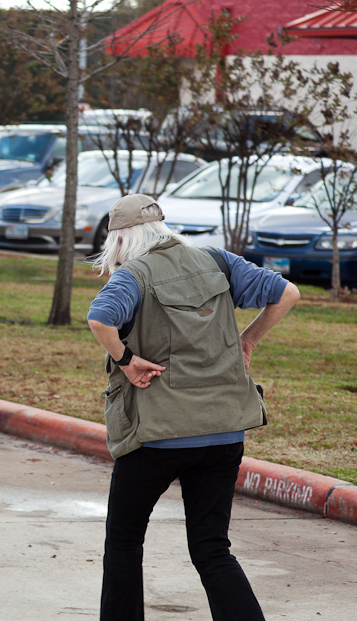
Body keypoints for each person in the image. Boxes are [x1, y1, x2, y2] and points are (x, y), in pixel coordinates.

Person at [86, 193, 300, 620]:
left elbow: (100, 319)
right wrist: (248, 340)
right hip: (224, 432)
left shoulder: (133, 274)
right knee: (212, 547)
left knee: (125, 541)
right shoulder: (216, 260)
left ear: (121, 239)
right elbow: (287, 292)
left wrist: (126, 361)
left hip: (157, 436)